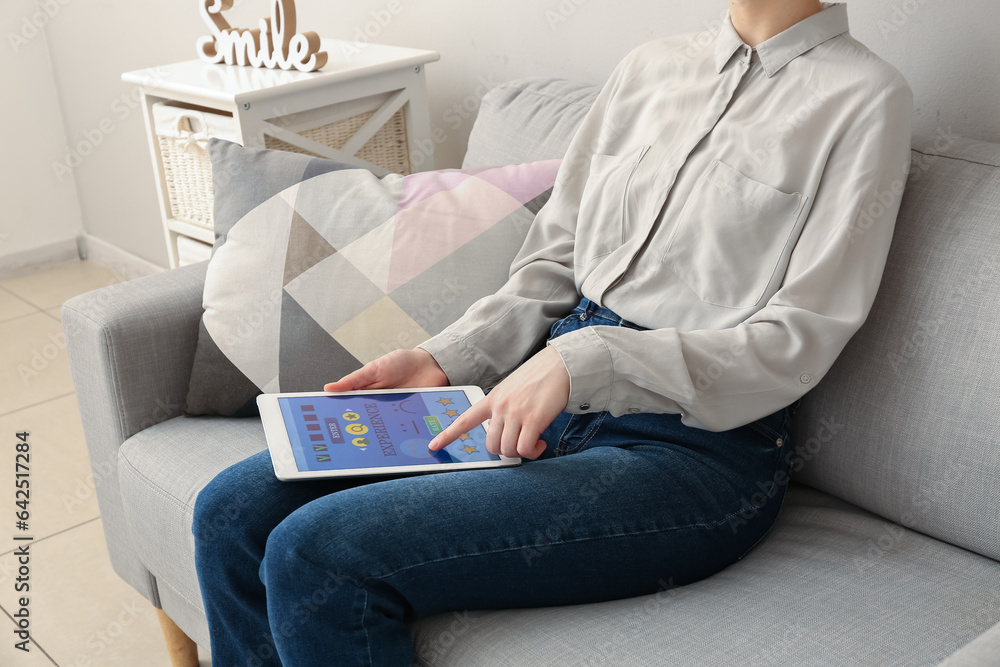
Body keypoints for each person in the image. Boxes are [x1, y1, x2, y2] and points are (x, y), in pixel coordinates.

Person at [193, 1, 913, 664]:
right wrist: (445, 357)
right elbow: (555, 258)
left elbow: (800, 338)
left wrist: (588, 359)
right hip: (539, 393)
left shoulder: (864, 98)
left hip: (692, 449)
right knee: (230, 511)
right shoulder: (649, 68)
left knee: (318, 554)